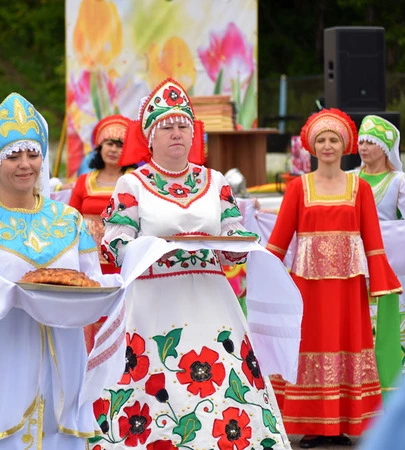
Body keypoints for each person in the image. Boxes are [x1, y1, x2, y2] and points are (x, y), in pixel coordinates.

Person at [0, 92, 124, 449]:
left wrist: (122, 282)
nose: (25, 164)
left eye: (33, 154)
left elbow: (91, 283)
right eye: (13, 155)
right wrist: (3, 291)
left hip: (65, 360)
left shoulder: (68, 219)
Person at [96, 79, 290, 449]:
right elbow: (114, 246)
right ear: (150, 138)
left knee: (223, 390)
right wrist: (158, 247)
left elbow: (233, 241)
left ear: (193, 133)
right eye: (166, 127)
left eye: (183, 125)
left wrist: (237, 246)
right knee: (155, 390)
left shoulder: (215, 182)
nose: (176, 133)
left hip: (211, 301)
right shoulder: (131, 184)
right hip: (153, 301)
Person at [266, 108, 402, 448]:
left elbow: (373, 241)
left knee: (346, 345)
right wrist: (260, 276)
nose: (328, 146)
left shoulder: (360, 189)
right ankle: (312, 426)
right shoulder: (298, 188)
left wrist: (383, 282)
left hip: (348, 289)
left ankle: (343, 422)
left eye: (334, 140)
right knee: (309, 346)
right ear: (312, 147)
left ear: (345, 146)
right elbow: (279, 241)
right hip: (307, 290)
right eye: (322, 140)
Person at [354, 115, 405, 389]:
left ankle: (389, 390)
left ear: (386, 148)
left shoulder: (400, 182)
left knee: (387, 331)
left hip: (386, 267)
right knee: (356, 327)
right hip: (353, 266)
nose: (363, 147)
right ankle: (359, 393)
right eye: (361, 140)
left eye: (370, 142)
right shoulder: (350, 179)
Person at [69, 115, 133, 351]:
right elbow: (71, 219)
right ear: (100, 147)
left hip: (121, 262)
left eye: (120, 144)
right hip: (87, 262)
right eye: (109, 143)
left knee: (120, 314)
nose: (114, 149)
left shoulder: (134, 181)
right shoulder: (84, 181)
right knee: (89, 316)